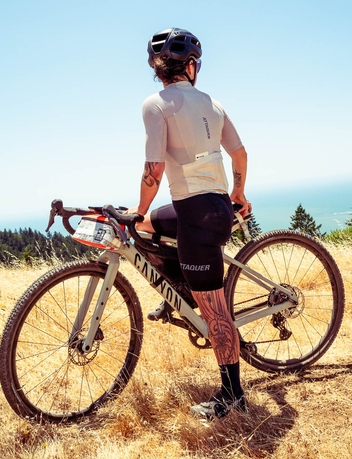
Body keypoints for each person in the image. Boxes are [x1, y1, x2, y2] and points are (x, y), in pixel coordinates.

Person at [126, 28, 251, 420]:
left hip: (199, 217)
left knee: (216, 315)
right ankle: (178, 293)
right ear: (192, 66)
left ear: (157, 69)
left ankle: (233, 395)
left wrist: (137, 207)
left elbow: (154, 168)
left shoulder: (156, 104)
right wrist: (239, 193)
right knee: (145, 227)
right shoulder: (213, 104)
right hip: (208, 206)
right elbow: (240, 154)